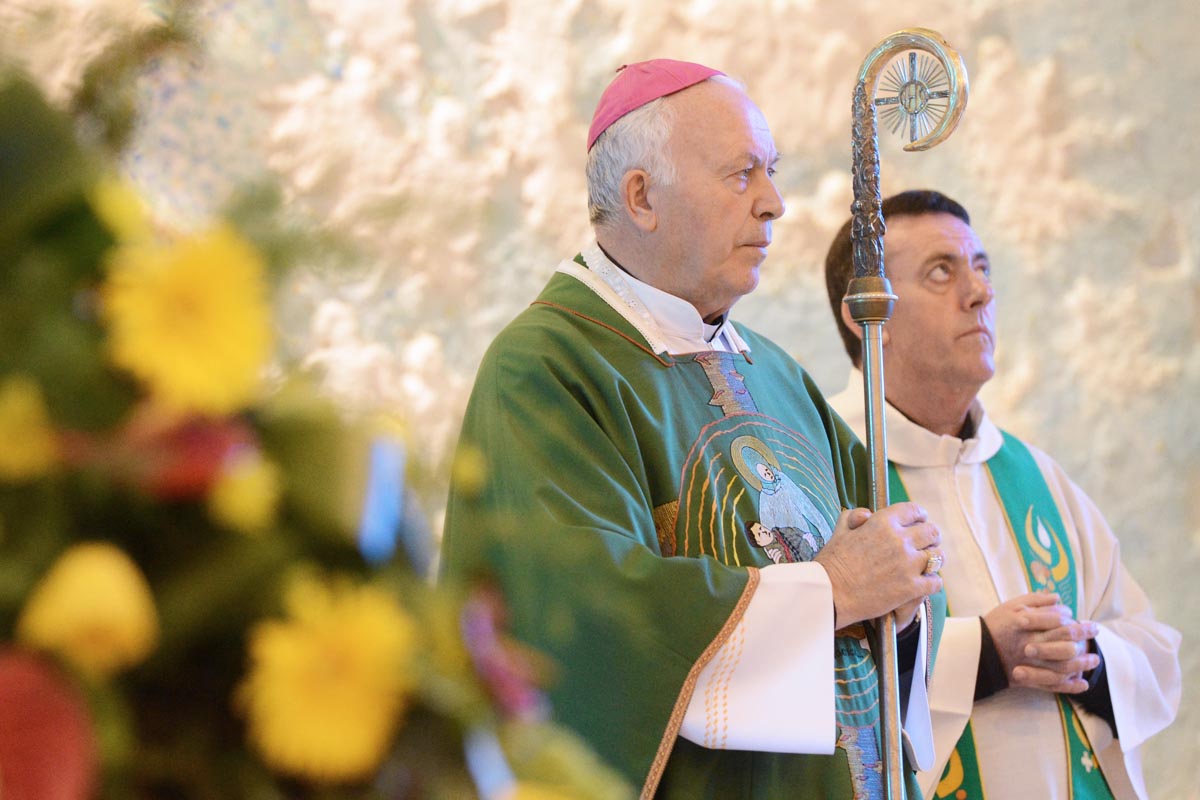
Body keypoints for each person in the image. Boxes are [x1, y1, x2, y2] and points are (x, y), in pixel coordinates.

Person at [442, 60, 947, 798]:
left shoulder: (774, 372)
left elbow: (886, 567)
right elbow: (585, 617)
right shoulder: (546, 368)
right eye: (741, 174)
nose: (774, 203)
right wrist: (833, 589)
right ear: (642, 197)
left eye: (772, 171)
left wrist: (902, 597)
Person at [822, 190, 1182, 799]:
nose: (979, 293)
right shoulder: (827, 464)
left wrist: (1087, 656)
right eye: (941, 272)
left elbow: (1155, 651)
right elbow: (807, 672)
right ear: (866, 314)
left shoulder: (1036, 476)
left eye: (982, 267)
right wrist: (984, 655)